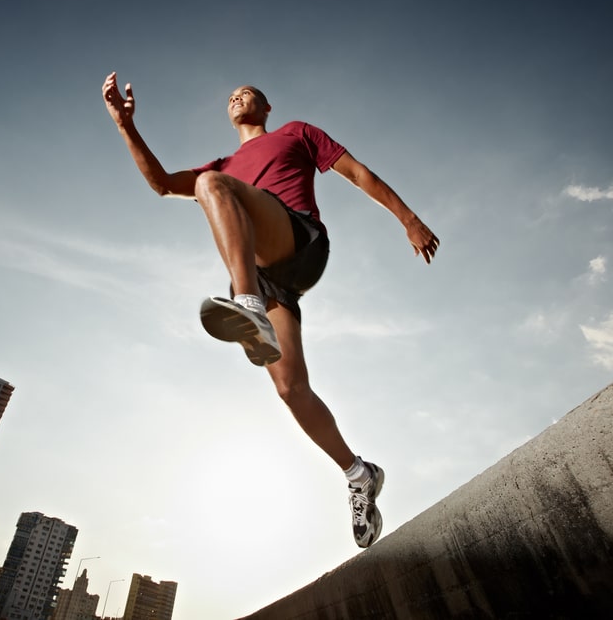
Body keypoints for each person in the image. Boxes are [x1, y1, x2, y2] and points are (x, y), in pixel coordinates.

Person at [101, 72, 439, 548]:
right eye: (231, 95)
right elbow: (159, 184)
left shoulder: (295, 133)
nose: (237, 95)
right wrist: (125, 125)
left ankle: (246, 305)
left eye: (248, 92)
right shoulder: (224, 161)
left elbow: (359, 173)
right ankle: (359, 474)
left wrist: (410, 219)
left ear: (267, 106)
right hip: (268, 277)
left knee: (210, 185)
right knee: (291, 389)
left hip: (299, 241)